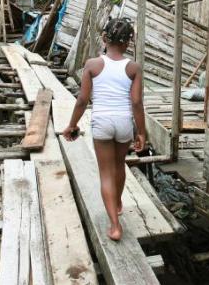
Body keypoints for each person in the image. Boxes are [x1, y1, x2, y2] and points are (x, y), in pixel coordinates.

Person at [62, 18, 146, 241]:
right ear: (129, 42)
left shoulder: (92, 65)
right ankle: (117, 202)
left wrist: (72, 124)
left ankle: (115, 226)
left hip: (102, 123)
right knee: (119, 167)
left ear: (104, 38)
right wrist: (141, 132)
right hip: (124, 122)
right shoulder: (134, 68)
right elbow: (137, 103)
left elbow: (82, 99)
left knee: (106, 174)